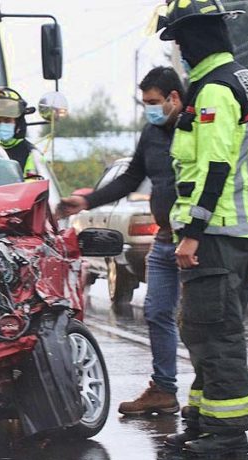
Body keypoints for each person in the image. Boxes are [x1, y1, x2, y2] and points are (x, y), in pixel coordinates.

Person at [157, 0, 248, 456]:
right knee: (204, 330)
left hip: (216, 235)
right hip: (232, 234)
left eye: (180, 43)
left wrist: (192, 233)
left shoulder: (215, 90)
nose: (179, 53)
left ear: (195, 40)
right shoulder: (237, 79)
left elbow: (216, 166)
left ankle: (226, 435)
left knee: (216, 334)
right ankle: (203, 421)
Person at [57, 67, 185, 416]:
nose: (149, 109)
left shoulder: (196, 128)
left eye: (154, 102)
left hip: (197, 239)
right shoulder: (152, 133)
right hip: (164, 239)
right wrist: (87, 201)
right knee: (158, 312)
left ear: (175, 98)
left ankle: (208, 393)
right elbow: (131, 177)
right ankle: (164, 389)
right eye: (144, 103)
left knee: (201, 320)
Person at [0, 87, 41, 180]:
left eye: (7, 120)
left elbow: (33, 188)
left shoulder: (32, 155)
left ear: (18, 123)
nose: (1, 125)